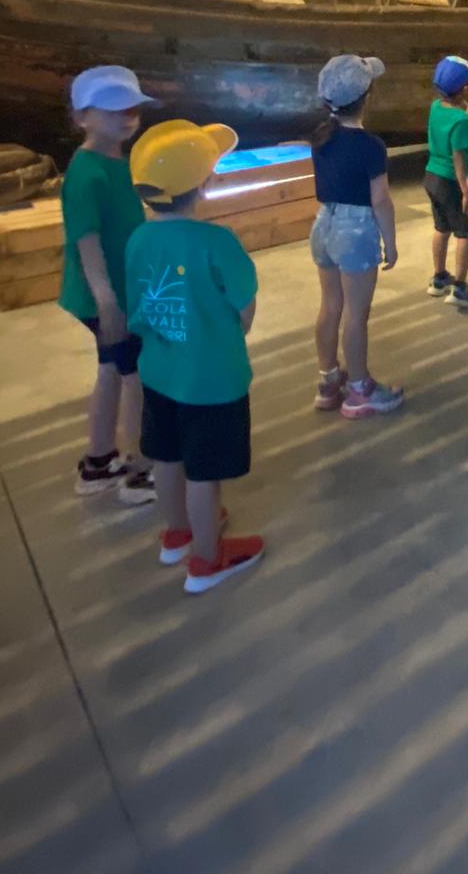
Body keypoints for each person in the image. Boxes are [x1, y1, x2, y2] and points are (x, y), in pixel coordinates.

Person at [126, 120, 263, 594]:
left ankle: (177, 534)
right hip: (212, 380)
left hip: (158, 371)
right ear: (204, 183)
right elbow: (244, 308)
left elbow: (138, 303)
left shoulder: (138, 239)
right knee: (204, 474)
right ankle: (206, 560)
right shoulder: (217, 243)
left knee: (166, 456)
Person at [60, 65, 157, 504]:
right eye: (114, 109)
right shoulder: (88, 173)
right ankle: (139, 470)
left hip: (116, 291)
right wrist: (107, 303)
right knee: (138, 377)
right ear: (82, 117)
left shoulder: (116, 162)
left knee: (111, 371)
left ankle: (98, 462)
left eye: (132, 108)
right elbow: (87, 240)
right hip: (108, 296)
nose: (128, 117)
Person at [309, 55, 402, 418]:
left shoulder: (321, 136)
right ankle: (360, 389)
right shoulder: (371, 146)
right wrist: (390, 242)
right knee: (356, 314)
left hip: (324, 223)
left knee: (330, 305)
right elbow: (380, 200)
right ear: (367, 98)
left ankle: (328, 380)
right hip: (355, 229)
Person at [424, 54, 468, 306]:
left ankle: (439, 278)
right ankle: (459, 288)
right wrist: (467, 192)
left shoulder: (435, 107)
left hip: (432, 176)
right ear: (464, 89)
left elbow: (448, 126)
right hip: (453, 181)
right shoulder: (461, 121)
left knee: (441, 228)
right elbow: (459, 157)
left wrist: (466, 115)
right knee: (464, 233)